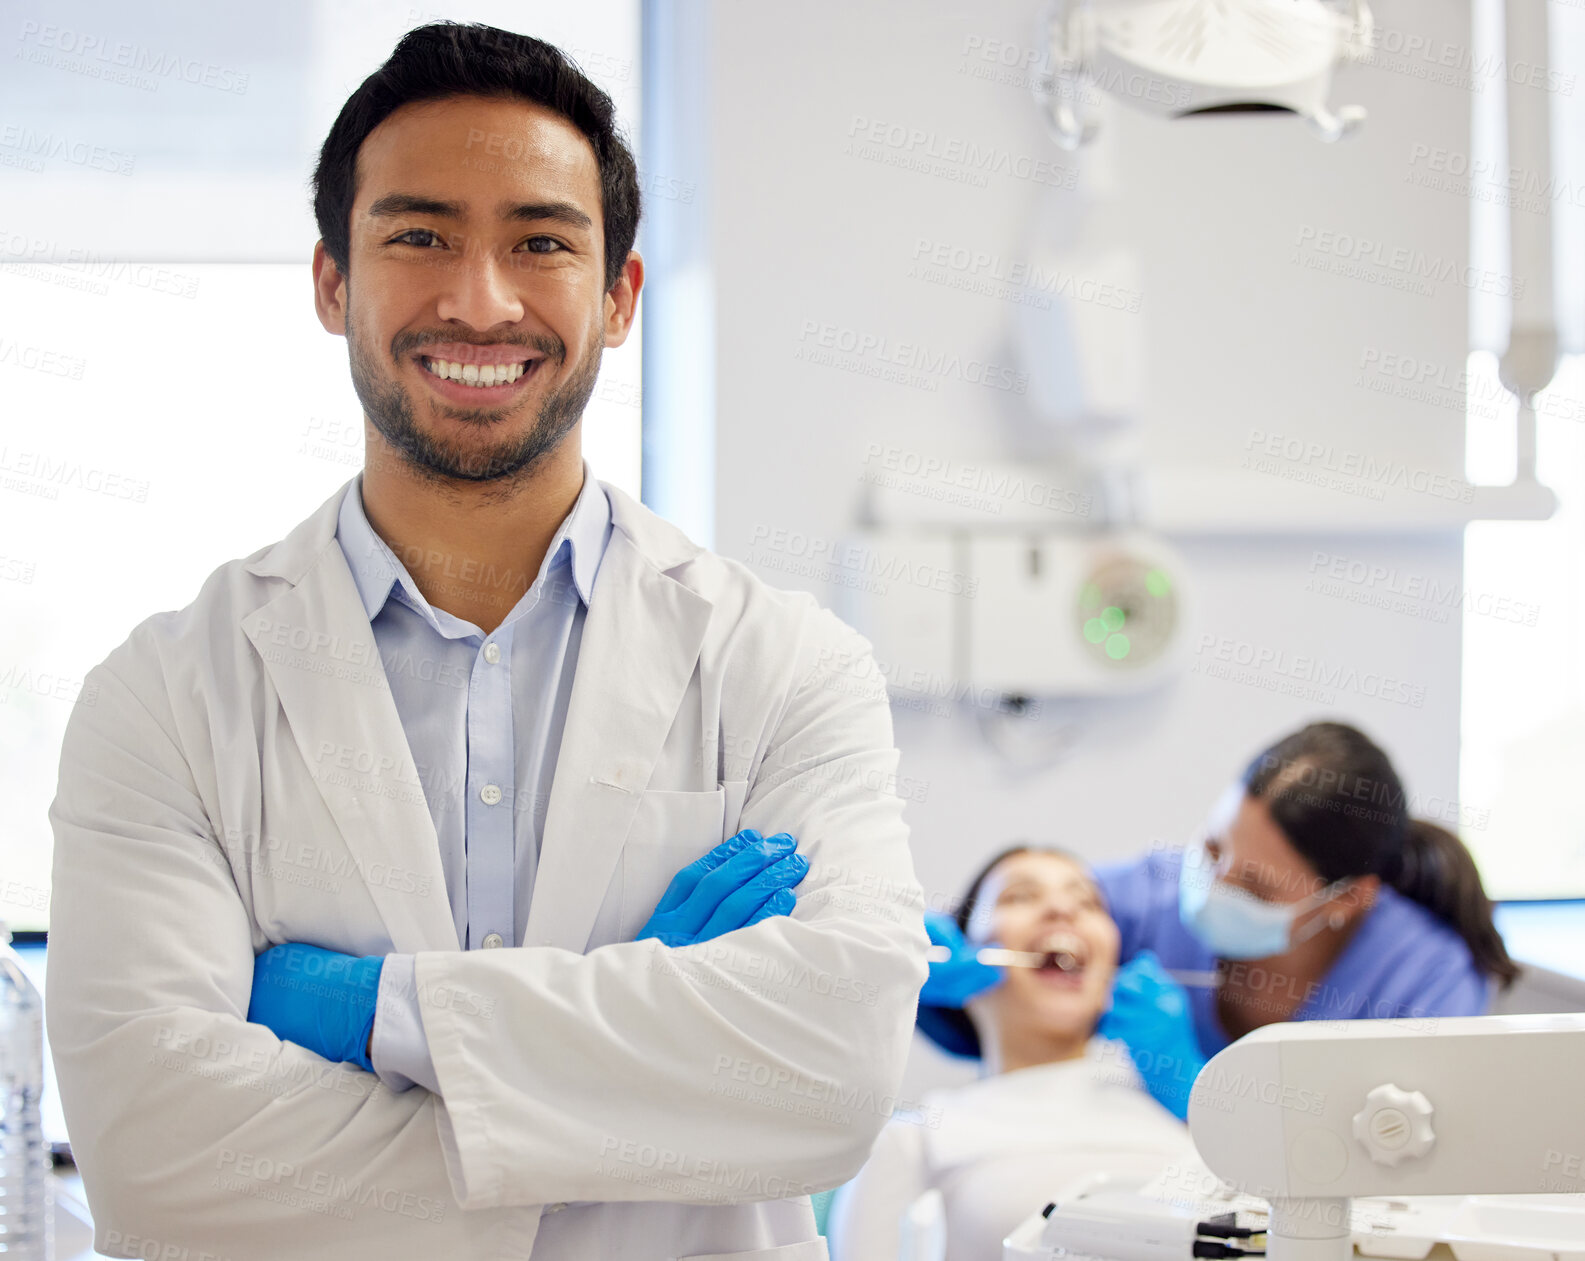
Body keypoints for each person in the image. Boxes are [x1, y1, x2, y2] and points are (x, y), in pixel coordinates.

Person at [44, 23, 928, 1261]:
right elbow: (162, 1158)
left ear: (618, 296)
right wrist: (636, 1057)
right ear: (330, 283)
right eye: (417, 237)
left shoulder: (786, 668)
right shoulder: (166, 696)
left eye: (541, 242)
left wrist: (377, 1016)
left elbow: (833, 1075)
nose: (480, 300)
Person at [1089, 720, 1519, 1110]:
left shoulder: (1423, 978)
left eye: (1255, 886)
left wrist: (1196, 1093)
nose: (1213, 887)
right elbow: (1028, 930)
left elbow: (1397, 1160)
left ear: (1347, 898)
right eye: (1213, 849)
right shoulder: (1145, 898)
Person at [828, 847, 1199, 1261]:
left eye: (1088, 902)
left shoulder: (1189, 1124)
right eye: (1020, 897)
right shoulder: (918, 1140)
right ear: (956, 955)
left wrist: (1204, 1112)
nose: (1061, 909)